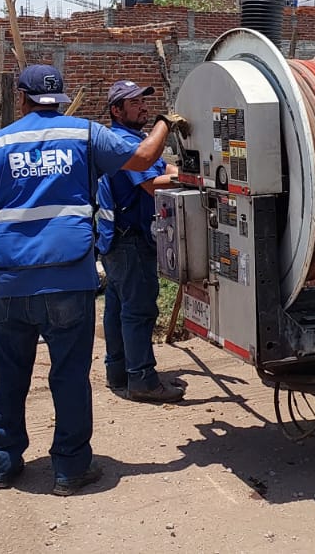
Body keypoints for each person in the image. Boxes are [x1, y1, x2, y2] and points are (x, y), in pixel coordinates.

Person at [0, 64, 187, 496]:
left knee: (6, 374)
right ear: (61, 98)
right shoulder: (85, 134)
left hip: (11, 283)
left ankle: (1, 465)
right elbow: (144, 159)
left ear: (21, 98)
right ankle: (71, 469)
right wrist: (161, 123)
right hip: (69, 278)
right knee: (69, 375)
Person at [99, 80, 185, 403]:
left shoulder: (131, 139)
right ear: (116, 111)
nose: (142, 107)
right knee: (139, 310)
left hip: (116, 241)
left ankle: (119, 372)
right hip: (130, 241)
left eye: (142, 101)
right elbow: (152, 184)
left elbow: (165, 167)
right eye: (133, 103)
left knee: (119, 307)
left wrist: (190, 171)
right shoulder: (124, 142)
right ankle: (143, 381)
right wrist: (197, 181)